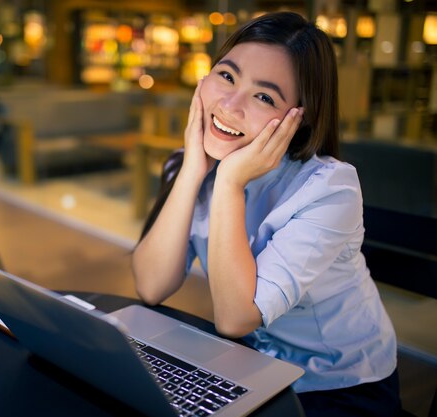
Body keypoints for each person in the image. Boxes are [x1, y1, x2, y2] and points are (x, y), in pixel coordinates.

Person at [132, 11, 401, 417]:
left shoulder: (330, 188)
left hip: (340, 384)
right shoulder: (196, 165)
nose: (230, 105)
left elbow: (235, 319)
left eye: (264, 97)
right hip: (253, 366)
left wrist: (229, 185)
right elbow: (151, 286)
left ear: (300, 117)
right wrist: (191, 171)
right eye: (226, 76)